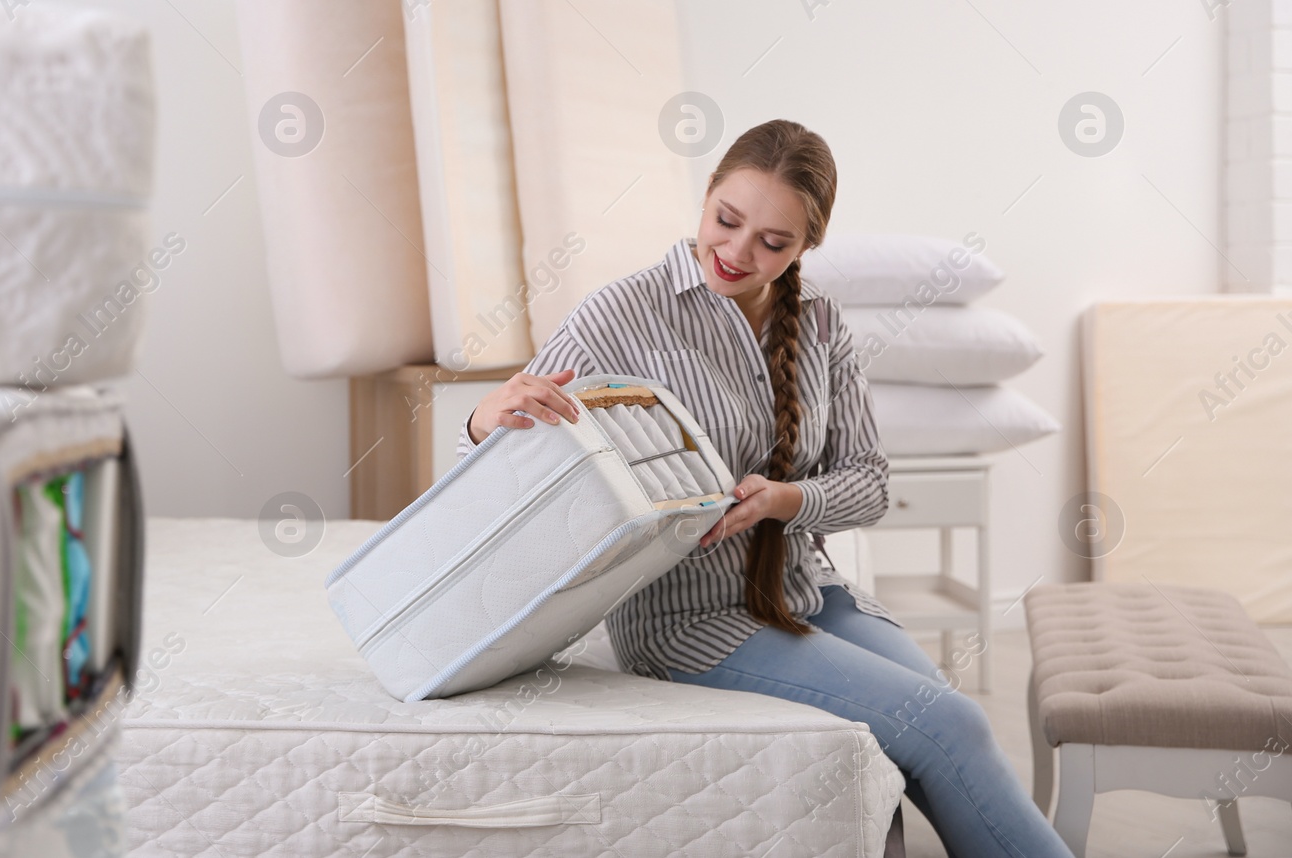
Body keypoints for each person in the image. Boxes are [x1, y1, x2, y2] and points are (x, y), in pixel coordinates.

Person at [458, 119, 1072, 857]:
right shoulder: (620, 316)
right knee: (949, 726)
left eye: (773, 242)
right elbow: (503, 474)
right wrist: (479, 419)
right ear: (708, 195)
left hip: (812, 591)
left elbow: (870, 484)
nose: (738, 252)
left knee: (944, 728)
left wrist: (786, 501)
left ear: (806, 246)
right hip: (689, 619)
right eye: (726, 220)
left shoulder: (820, 325)